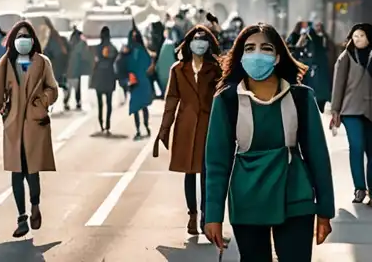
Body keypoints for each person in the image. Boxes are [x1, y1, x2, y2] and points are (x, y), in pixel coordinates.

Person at [204, 23, 335, 261]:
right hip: (247, 199)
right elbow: (216, 163)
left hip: (296, 196)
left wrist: (325, 211)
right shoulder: (227, 99)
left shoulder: (301, 96)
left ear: (277, 57)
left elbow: (318, 157)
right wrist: (213, 215)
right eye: (249, 48)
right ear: (241, 57)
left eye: (265, 48)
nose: (257, 54)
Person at [0, 20, 58, 237]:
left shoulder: (42, 63)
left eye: (26, 36)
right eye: (19, 36)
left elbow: (53, 89)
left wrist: (42, 100)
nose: (22, 40)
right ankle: (21, 218)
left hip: (35, 125)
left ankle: (35, 205)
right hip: (13, 126)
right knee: (17, 172)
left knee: (32, 171)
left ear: (33, 40)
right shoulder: (6, 63)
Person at [153, 24, 220, 236]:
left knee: (207, 174)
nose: (199, 43)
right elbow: (172, 99)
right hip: (186, 126)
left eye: (203, 40)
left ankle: (206, 216)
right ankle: (192, 215)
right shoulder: (178, 70)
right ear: (189, 44)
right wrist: (165, 128)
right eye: (196, 40)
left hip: (209, 126)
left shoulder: (216, 68)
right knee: (190, 173)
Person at [329, 22, 372, 203]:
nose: (358, 39)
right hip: (351, 110)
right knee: (356, 147)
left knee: (371, 151)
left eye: (361, 36)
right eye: (355, 36)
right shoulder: (345, 56)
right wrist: (335, 110)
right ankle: (359, 189)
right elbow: (338, 85)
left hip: (370, 110)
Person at [118, 27, 154, 140]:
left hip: (141, 81)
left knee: (143, 106)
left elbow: (149, 64)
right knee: (136, 107)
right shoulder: (128, 51)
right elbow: (120, 64)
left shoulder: (141, 50)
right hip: (134, 81)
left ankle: (146, 126)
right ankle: (138, 128)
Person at [89, 26, 118, 134]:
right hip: (109, 76)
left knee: (100, 103)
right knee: (109, 102)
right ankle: (107, 124)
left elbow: (93, 62)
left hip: (99, 77)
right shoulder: (113, 48)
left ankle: (101, 123)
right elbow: (116, 61)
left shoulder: (97, 48)